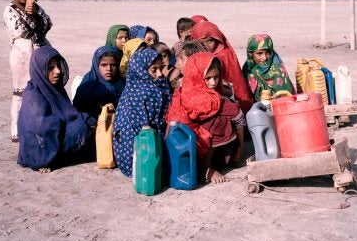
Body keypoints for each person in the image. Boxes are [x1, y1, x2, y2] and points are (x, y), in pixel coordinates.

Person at [166, 53, 245, 183]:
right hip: (190, 144)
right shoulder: (206, 98)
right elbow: (236, 114)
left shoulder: (184, 89)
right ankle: (205, 168)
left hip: (180, 144)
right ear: (196, 76)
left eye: (216, 77)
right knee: (219, 122)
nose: (213, 83)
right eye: (207, 78)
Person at [17, 46, 95, 172]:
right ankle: (45, 159)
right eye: (50, 68)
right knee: (83, 125)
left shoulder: (54, 89)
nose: (58, 71)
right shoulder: (33, 95)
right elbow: (43, 128)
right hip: (40, 146)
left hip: (55, 135)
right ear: (39, 69)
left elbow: (67, 114)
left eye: (58, 66)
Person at [3, 0, 53, 143]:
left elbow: (47, 25)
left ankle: (40, 125)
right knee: (21, 91)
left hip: (40, 53)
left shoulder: (37, 8)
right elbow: (24, 31)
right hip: (22, 55)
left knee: (42, 89)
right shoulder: (9, 11)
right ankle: (16, 129)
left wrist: (35, 12)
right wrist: (30, 13)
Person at [112, 48, 172, 177]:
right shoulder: (137, 91)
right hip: (138, 137)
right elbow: (141, 124)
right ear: (141, 70)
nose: (160, 74)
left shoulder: (158, 84)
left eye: (160, 68)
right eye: (154, 70)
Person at [190, 20, 253, 114]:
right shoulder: (196, 56)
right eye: (201, 42)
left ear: (218, 40)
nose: (206, 45)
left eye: (210, 41)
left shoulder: (223, 55)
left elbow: (234, 85)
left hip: (229, 99)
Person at [73, 45, 125, 119]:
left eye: (113, 65)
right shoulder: (87, 87)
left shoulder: (124, 85)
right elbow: (77, 113)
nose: (109, 69)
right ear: (96, 66)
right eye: (104, 65)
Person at [242, 34, 295, 102]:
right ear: (251, 54)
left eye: (268, 53)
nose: (264, 58)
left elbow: (286, 99)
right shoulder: (247, 69)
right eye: (259, 53)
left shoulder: (278, 70)